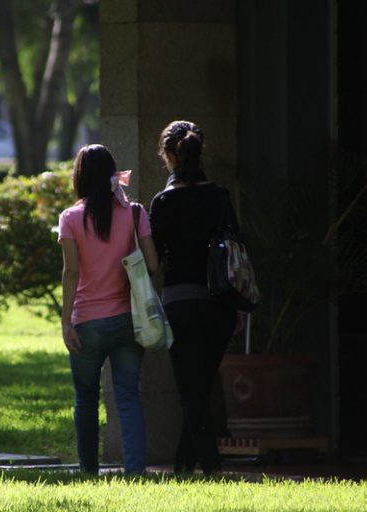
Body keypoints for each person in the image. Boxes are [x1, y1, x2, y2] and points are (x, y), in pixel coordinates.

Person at [58, 144, 159, 475]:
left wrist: (66, 323)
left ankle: (89, 470)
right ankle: (135, 471)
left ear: (80, 176)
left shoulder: (71, 218)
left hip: (86, 322)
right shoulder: (135, 213)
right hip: (128, 319)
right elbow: (153, 265)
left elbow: (71, 272)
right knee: (128, 397)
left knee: (85, 399)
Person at [148, 121, 243, 475]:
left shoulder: (164, 201)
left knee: (191, 390)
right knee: (200, 386)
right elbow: (237, 249)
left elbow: (154, 262)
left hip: (180, 304)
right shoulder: (220, 196)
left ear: (168, 155)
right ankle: (183, 463)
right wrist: (237, 308)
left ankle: (211, 467)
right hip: (219, 303)